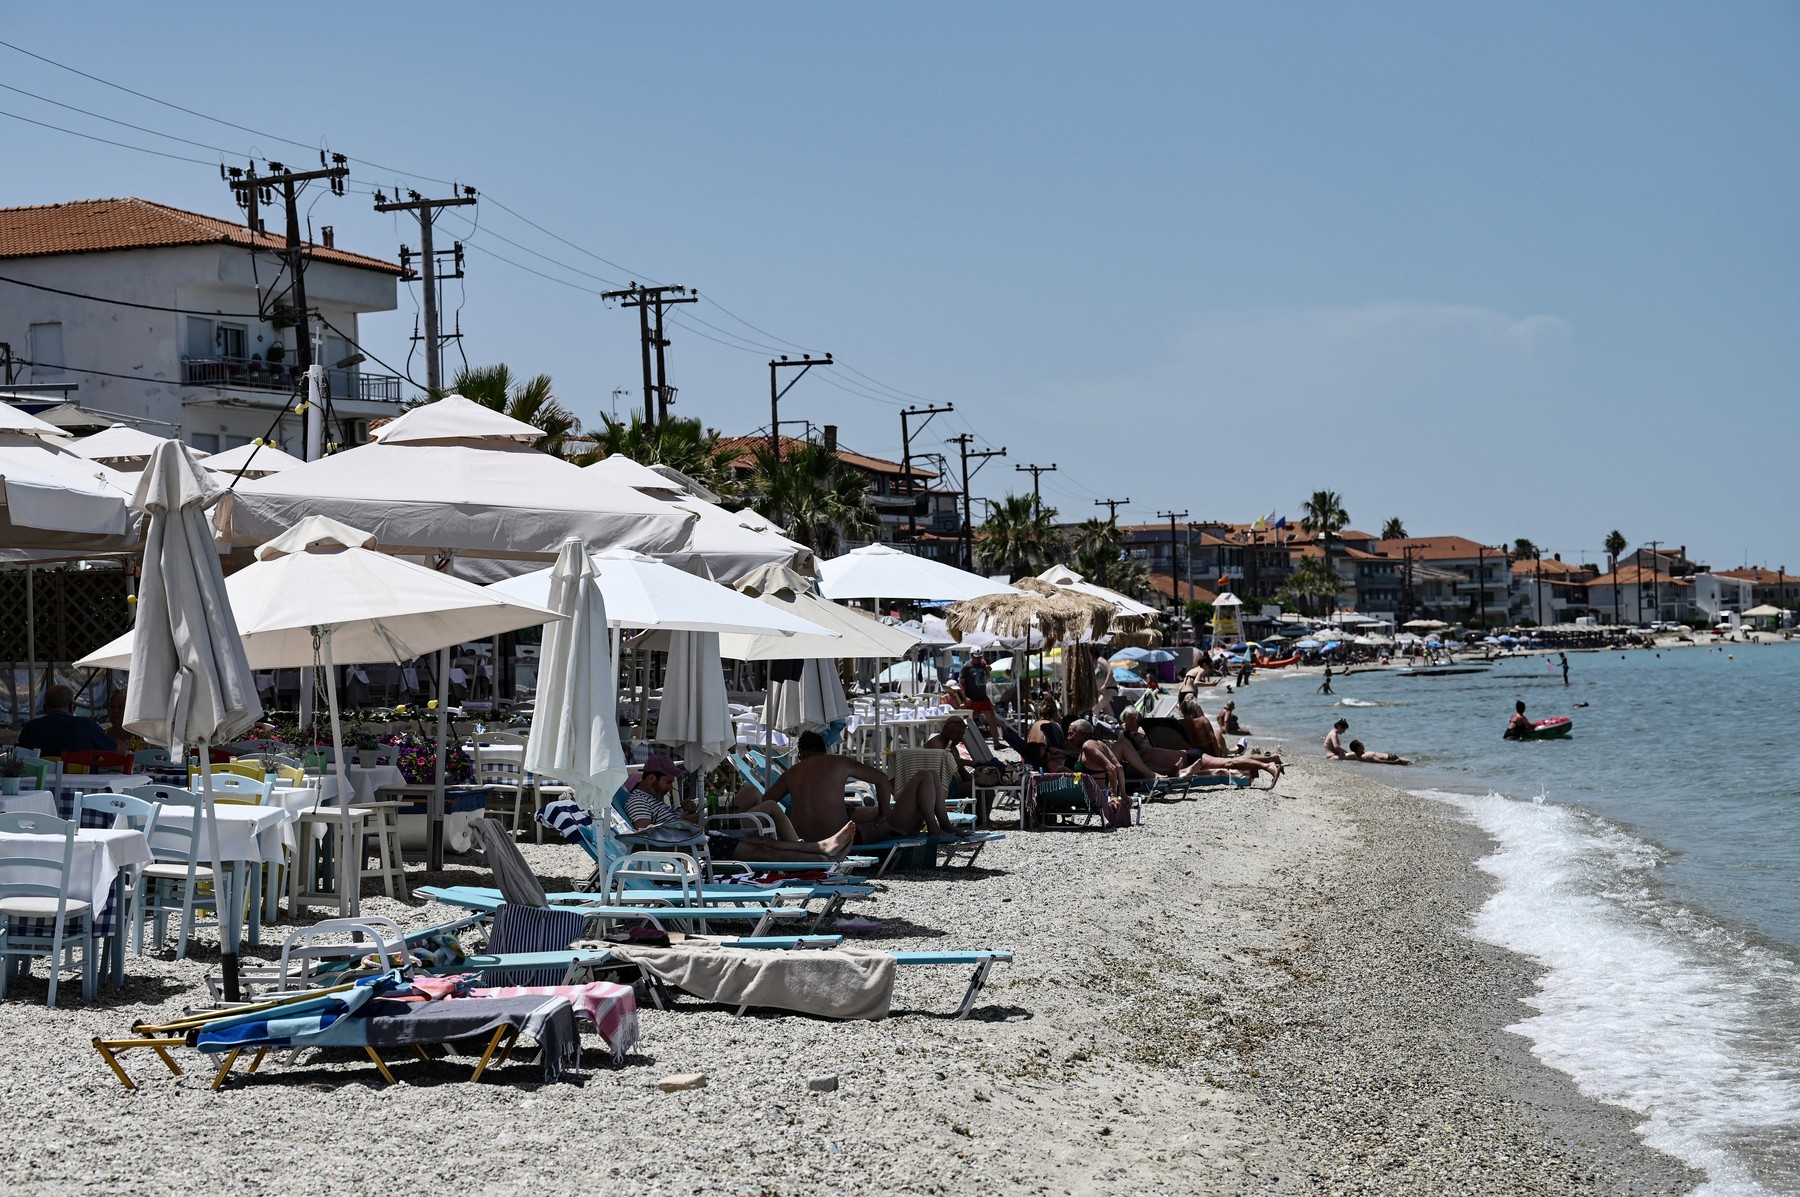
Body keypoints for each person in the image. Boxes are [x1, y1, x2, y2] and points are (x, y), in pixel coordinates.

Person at [630, 754, 858, 863]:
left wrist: (682, 814)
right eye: (668, 782)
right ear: (651, 779)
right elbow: (645, 832)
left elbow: (659, 826)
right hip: (691, 847)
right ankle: (821, 857)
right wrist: (683, 821)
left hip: (698, 838)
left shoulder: (654, 800)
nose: (671, 787)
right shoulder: (638, 800)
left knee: (765, 842)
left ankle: (822, 848)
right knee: (761, 850)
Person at [759, 730, 955, 841]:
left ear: (801, 753)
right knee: (888, 826)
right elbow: (881, 778)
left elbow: (766, 802)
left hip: (801, 836)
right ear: (824, 750)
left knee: (866, 816)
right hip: (839, 838)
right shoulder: (838, 762)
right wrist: (883, 814)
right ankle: (937, 825)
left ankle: (936, 825)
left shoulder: (792, 772)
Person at [18, 684, 117, 756]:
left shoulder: (30, 728)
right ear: (71, 707)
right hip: (83, 783)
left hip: (40, 783)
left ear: (44, 708)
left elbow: (20, 757)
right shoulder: (87, 726)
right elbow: (115, 750)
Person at [958, 652, 1001, 747]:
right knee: (967, 722)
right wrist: (965, 698)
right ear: (972, 656)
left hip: (983, 697)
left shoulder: (983, 663)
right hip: (972, 699)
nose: (978, 659)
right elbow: (961, 683)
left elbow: (986, 677)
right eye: (976, 657)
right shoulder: (966, 666)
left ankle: (996, 743)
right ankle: (962, 743)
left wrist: (988, 670)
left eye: (980, 657)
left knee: (992, 718)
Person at [1342, 739, 1410, 765]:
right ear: (1358, 748)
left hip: (1392, 758)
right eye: (1361, 744)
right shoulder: (1365, 756)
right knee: (1411, 763)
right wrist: (1395, 762)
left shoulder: (1358, 756)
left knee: (1412, 763)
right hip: (1392, 758)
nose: (1363, 745)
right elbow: (1380, 761)